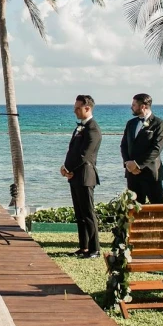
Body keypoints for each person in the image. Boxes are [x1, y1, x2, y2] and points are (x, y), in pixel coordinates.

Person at [61, 95, 102, 258]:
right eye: (75, 107)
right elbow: (72, 151)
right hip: (74, 175)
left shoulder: (93, 129)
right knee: (79, 214)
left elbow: (85, 155)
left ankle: (95, 248)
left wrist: (69, 168)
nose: (75, 111)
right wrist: (65, 168)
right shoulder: (80, 128)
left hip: (85, 175)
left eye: (78, 108)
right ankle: (83, 246)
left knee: (88, 213)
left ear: (88, 108)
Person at [119, 93, 163, 204]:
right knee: (134, 208)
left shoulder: (159, 124)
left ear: (143, 106)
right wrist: (128, 163)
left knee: (158, 205)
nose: (131, 107)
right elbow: (124, 145)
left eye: (134, 105)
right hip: (132, 174)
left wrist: (137, 164)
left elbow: (156, 148)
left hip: (150, 174)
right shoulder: (131, 123)